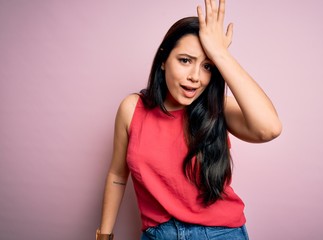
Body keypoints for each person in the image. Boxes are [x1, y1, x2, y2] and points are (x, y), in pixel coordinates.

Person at [96, 0, 282, 239]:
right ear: (163, 60)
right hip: (159, 234)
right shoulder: (132, 108)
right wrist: (104, 236)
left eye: (207, 66)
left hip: (220, 234)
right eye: (185, 60)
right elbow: (118, 175)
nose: (196, 77)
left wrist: (221, 55)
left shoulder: (217, 109)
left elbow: (270, 128)